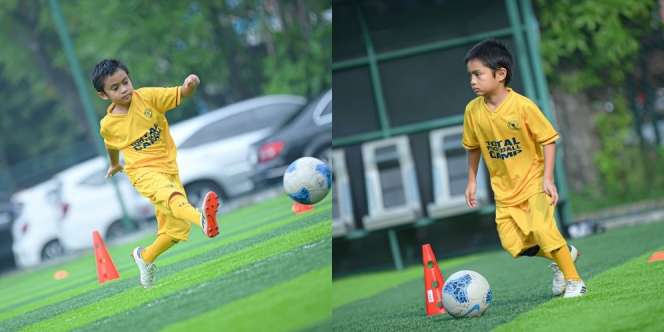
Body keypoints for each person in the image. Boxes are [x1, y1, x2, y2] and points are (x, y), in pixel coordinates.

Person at [461, 40, 586, 298]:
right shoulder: (472, 111)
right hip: (504, 191)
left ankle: (575, 281)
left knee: (543, 229)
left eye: (478, 74)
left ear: (500, 74)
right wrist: (471, 180)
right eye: (470, 76)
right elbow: (473, 147)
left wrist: (548, 179)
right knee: (514, 245)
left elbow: (548, 139)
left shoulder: (523, 106)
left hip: (533, 183)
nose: (472, 81)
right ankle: (565, 253)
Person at [92, 59, 220, 288]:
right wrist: (114, 164)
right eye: (115, 87)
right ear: (104, 95)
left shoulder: (148, 97)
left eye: (125, 82)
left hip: (169, 167)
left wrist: (190, 86)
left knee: (174, 231)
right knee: (171, 196)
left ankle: (145, 257)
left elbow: (180, 94)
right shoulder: (108, 124)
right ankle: (202, 217)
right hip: (142, 172)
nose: (124, 89)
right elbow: (110, 144)